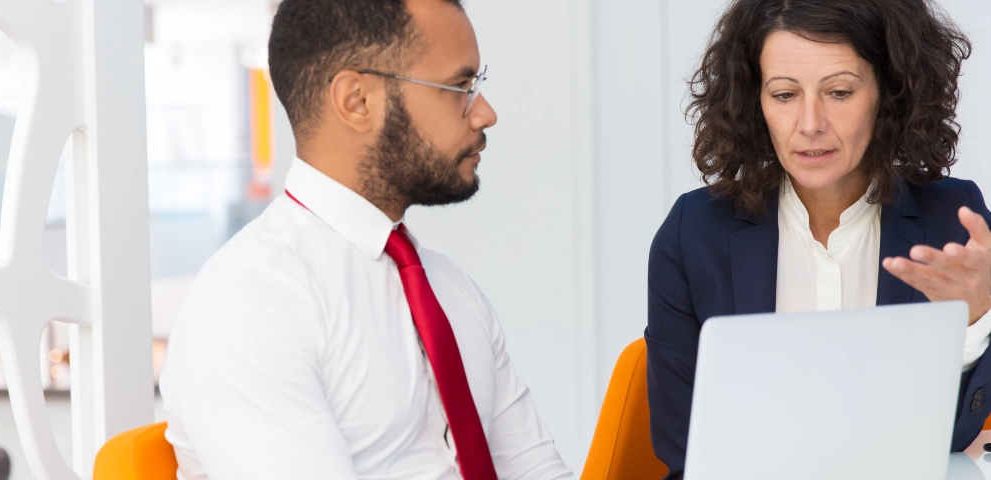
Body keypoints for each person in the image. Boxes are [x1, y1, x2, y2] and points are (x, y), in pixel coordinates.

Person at [157, 0, 573, 478]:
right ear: (357, 101)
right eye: (459, 87)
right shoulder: (249, 304)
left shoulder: (452, 291)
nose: (485, 113)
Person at [646, 0, 991, 478]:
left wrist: (973, 322)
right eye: (784, 94)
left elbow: (948, 443)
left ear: (890, 91)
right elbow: (683, 448)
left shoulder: (954, 222)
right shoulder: (695, 233)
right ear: (754, 100)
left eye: (839, 92)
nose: (810, 124)